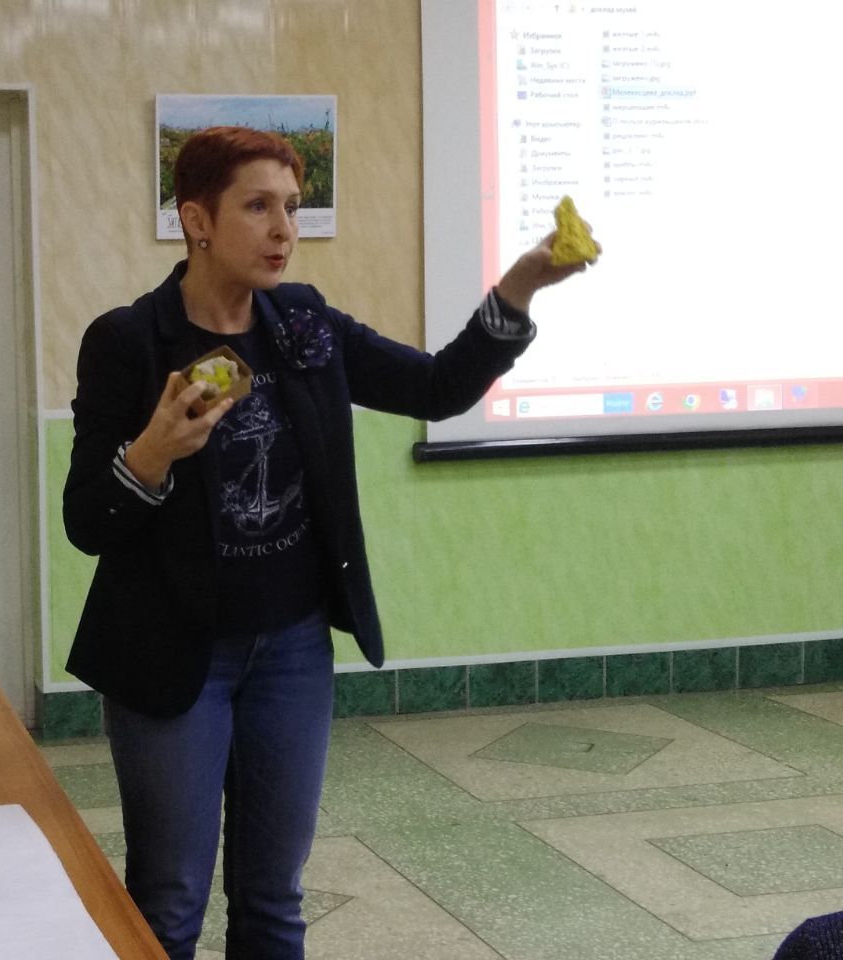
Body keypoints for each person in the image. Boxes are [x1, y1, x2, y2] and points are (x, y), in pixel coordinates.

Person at [63, 126, 594, 960]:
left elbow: (437, 387)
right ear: (197, 220)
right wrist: (153, 451)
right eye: (258, 206)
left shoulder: (302, 323)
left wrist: (522, 284)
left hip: (292, 652)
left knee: (274, 900)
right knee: (168, 905)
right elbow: (86, 522)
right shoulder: (130, 340)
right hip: (173, 656)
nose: (284, 229)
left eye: (292, 207)